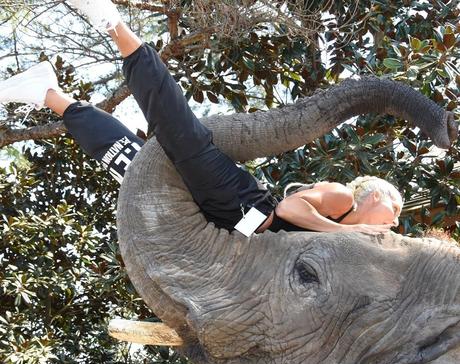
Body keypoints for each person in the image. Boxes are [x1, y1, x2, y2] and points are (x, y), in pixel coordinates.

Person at [0, 0, 402, 236]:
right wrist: (351, 230)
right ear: (376, 195)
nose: (396, 222)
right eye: (396, 211)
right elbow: (289, 212)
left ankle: (48, 93)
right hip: (243, 206)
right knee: (177, 130)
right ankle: (113, 22)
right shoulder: (343, 198)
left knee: (132, 166)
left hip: (222, 232)